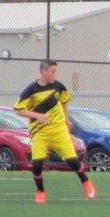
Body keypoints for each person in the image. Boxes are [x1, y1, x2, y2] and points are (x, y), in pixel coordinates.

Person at [14, 59, 96, 204]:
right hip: (40, 132)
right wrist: (37, 116)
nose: (54, 74)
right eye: (52, 71)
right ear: (43, 72)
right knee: (37, 165)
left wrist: (66, 119)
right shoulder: (31, 90)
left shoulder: (58, 87)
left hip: (59, 130)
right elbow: (19, 110)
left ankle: (86, 181)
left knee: (73, 162)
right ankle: (40, 191)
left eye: (55, 71)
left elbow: (64, 101)